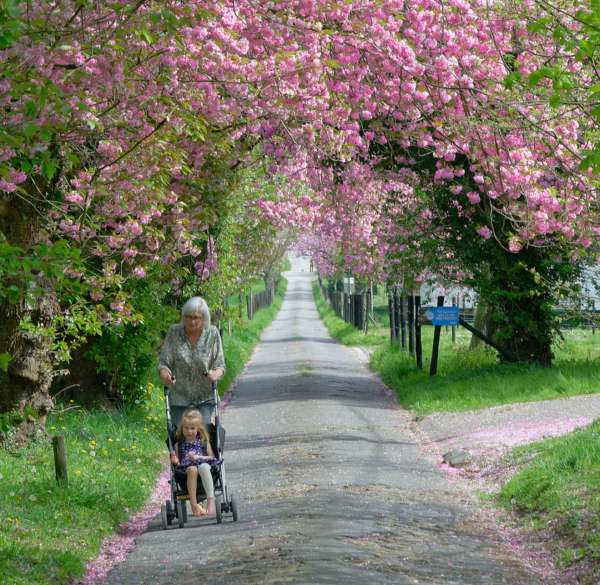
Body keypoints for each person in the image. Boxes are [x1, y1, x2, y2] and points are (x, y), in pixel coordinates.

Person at [158, 296, 225, 426]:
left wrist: (214, 374)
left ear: (204, 318)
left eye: (196, 317)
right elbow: (163, 363)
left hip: (204, 397)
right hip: (179, 398)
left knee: (202, 435)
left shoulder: (212, 334)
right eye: (188, 317)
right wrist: (166, 376)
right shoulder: (174, 332)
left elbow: (220, 365)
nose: (192, 321)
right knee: (181, 438)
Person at [170, 409, 216, 516]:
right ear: (182, 428)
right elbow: (178, 462)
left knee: (203, 467)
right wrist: (175, 460)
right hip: (187, 469)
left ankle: (210, 501)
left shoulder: (203, 442)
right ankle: (194, 504)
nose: (189, 431)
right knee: (192, 469)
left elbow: (212, 458)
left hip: (203, 464)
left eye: (192, 428)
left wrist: (198, 457)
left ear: (198, 429)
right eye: (186, 428)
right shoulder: (179, 445)